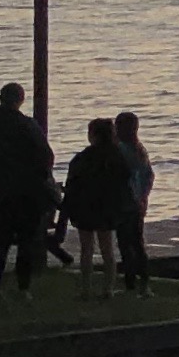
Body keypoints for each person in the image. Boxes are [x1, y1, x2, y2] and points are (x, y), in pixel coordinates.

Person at [0, 83, 49, 295]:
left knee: (3, 240)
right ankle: (23, 287)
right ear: (21, 100)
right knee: (26, 242)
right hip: (28, 192)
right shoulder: (28, 126)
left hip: (3, 191)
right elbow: (45, 157)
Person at [57, 117, 134, 296]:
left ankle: (86, 289)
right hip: (108, 208)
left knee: (87, 249)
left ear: (92, 135)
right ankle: (108, 288)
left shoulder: (82, 158)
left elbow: (73, 184)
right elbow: (125, 183)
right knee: (107, 249)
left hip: (86, 207)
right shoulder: (118, 157)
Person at [111, 110, 155, 291]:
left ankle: (130, 281)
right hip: (138, 202)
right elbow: (149, 176)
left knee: (125, 244)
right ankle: (144, 279)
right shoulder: (140, 150)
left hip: (125, 202)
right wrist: (144, 196)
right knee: (137, 242)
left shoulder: (120, 151)